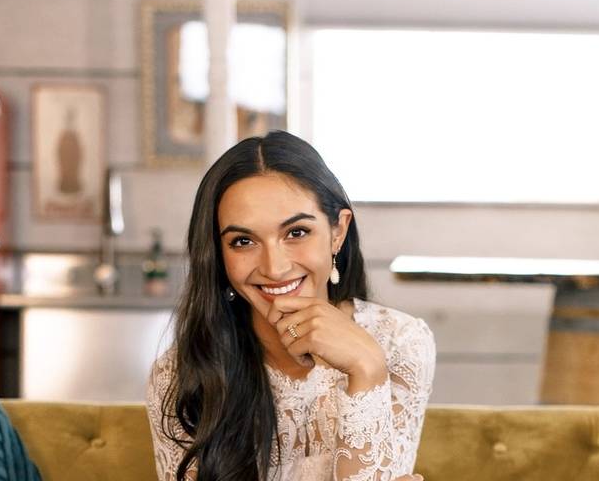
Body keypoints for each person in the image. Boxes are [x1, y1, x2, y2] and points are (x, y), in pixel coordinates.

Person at [146, 131, 436, 481]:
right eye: (243, 241)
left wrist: (367, 367)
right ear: (218, 255)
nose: (274, 267)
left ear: (337, 232)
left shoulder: (400, 342)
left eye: (296, 232)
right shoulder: (182, 374)